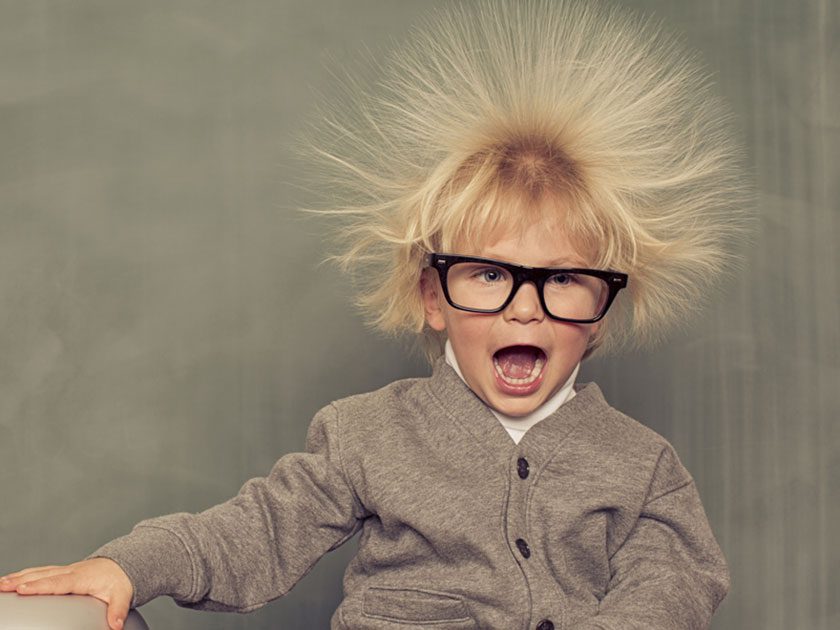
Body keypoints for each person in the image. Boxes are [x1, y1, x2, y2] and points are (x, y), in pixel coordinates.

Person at [0, 1, 750, 628]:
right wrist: (130, 562)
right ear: (433, 297)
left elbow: (669, 588)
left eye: (561, 279)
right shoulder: (369, 436)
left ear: (603, 311)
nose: (526, 307)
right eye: (489, 274)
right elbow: (255, 530)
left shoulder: (643, 467)